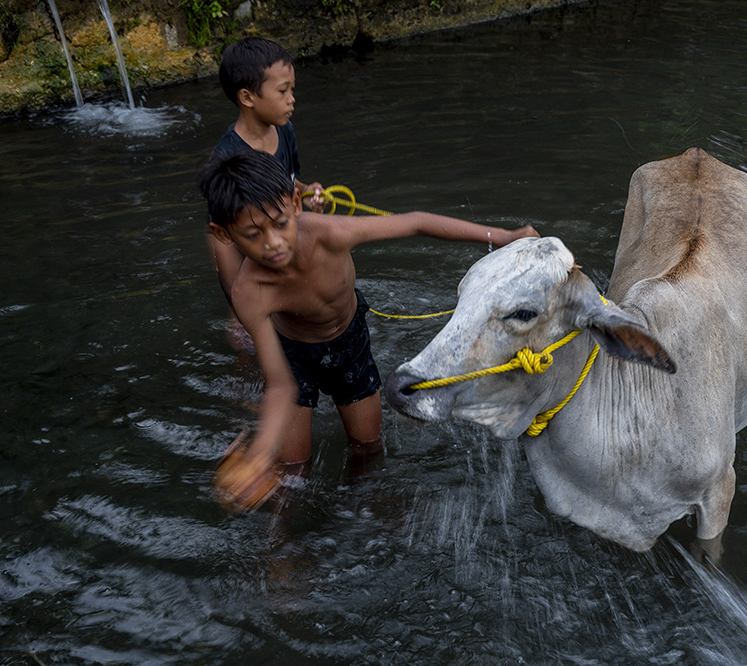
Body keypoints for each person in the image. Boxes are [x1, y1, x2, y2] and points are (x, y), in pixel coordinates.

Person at [198, 150, 538, 511]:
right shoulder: (250, 293)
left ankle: (371, 506)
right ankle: (281, 546)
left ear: (296, 204)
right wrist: (259, 455)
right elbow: (281, 383)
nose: (273, 243)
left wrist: (502, 236)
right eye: (253, 234)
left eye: (280, 223)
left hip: (350, 345)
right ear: (225, 234)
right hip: (295, 353)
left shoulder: (329, 234)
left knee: (368, 446)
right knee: (292, 472)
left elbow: (416, 222)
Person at [208, 36, 325, 314]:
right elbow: (220, 236)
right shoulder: (228, 158)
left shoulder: (284, 129)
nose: (292, 99)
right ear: (247, 97)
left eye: (292, 89)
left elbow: (287, 180)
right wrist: (239, 306)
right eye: (283, 91)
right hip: (255, 252)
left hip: (281, 243)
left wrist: (307, 192)